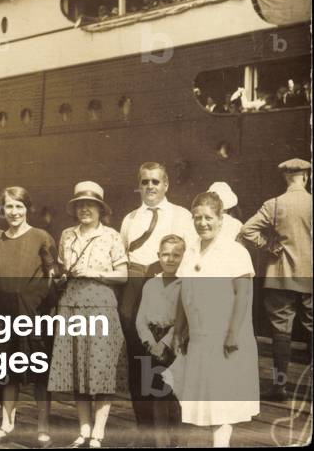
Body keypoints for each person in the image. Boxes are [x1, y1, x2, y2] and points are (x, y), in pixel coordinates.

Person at [172, 192, 259, 447]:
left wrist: (233, 333)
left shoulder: (235, 251)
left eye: (208, 218)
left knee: (223, 398)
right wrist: (178, 330)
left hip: (225, 335)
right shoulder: (190, 251)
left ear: (221, 219)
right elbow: (183, 294)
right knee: (203, 396)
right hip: (199, 336)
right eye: (197, 218)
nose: (203, 223)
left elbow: (244, 294)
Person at [47, 182, 128, 449]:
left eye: (90, 205)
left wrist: (96, 273)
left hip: (101, 306)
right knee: (77, 368)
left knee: (102, 369)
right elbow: (62, 268)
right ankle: (83, 429)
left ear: (100, 209)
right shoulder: (67, 235)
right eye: (80, 205)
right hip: (71, 306)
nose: (85, 209)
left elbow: (123, 274)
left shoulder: (112, 236)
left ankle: (99, 433)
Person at [117, 161, 192, 427]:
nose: (150, 186)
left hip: (168, 286)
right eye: (145, 181)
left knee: (169, 357)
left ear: (166, 184)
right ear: (139, 186)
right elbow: (124, 255)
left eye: (155, 181)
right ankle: (144, 427)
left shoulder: (181, 215)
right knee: (139, 356)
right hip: (137, 287)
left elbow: (189, 253)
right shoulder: (130, 219)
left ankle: (171, 428)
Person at [237, 158, 313, 401]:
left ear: (285, 178)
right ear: (306, 177)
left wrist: (269, 246)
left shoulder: (274, 204)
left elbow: (247, 230)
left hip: (280, 276)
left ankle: (280, 386)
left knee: (281, 332)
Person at [0, 186, 54, 447]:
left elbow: (51, 277)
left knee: (40, 375)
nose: (13, 212)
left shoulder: (41, 237)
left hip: (34, 316)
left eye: (19, 206)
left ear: (27, 208)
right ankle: (7, 424)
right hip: (5, 317)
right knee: (8, 374)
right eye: (9, 206)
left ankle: (43, 426)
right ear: (2, 209)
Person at [136, 234, 185, 448]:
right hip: (151, 343)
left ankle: (176, 441)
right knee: (155, 393)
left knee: (173, 394)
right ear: (158, 256)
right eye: (165, 254)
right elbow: (140, 320)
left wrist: (164, 343)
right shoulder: (151, 285)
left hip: (175, 342)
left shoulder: (186, 284)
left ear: (184, 256)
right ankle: (159, 442)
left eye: (176, 255)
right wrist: (149, 342)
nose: (170, 259)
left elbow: (185, 320)